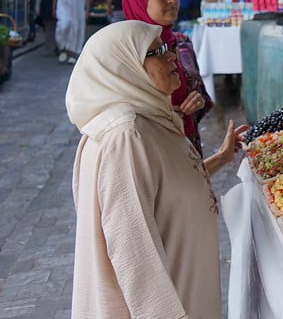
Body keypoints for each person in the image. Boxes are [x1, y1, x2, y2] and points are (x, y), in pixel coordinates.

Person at [66, 20, 246, 319]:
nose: (172, 56)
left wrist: (222, 156)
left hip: (187, 287)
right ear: (124, 67)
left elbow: (168, 185)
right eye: (156, 51)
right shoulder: (126, 135)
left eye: (167, 47)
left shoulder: (149, 119)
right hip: (171, 303)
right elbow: (130, 245)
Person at [122, 0, 214, 155]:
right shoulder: (127, 53)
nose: (172, 0)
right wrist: (157, 111)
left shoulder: (182, 43)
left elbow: (201, 94)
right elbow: (116, 110)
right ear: (138, 1)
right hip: (150, 151)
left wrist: (198, 100)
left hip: (188, 147)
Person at [53, 0, 93, 64]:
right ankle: (62, 48)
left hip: (78, 9)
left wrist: (88, 9)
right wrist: (54, 8)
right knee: (62, 27)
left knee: (75, 31)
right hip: (63, 8)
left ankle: (72, 53)